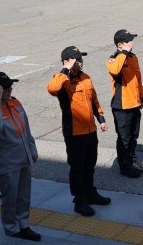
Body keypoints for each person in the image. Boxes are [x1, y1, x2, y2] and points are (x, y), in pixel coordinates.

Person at [47, 46, 111, 216]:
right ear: (66, 62)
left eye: (81, 59)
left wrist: (101, 119)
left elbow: (94, 100)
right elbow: (52, 88)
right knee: (78, 168)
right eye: (76, 60)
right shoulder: (62, 80)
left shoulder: (86, 78)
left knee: (90, 165)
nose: (80, 62)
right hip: (74, 133)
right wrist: (65, 69)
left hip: (90, 130)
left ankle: (91, 193)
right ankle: (80, 200)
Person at [0, 72, 40, 241]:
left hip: (23, 158)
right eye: (5, 88)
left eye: (10, 86)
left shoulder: (15, 103)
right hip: (6, 164)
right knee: (10, 198)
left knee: (24, 196)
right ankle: (11, 228)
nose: (10, 89)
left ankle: (24, 224)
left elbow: (26, 128)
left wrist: (32, 148)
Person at [107, 30, 143, 179]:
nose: (132, 43)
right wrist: (123, 52)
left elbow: (138, 79)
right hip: (122, 106)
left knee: (134, 136)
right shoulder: (113, 59)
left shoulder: (132, 57)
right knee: (124, 138)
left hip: (134, 103)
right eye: (129, 41)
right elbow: (115, 70)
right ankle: (125, 166)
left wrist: (140, 97)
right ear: (120, 44)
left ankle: (132, 161)